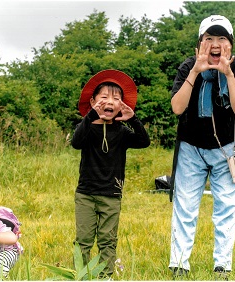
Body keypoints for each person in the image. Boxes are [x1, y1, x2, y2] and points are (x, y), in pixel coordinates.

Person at [168, 15, 235, 279]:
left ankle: (222, 267)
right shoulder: (187, 67)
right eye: (209, 39)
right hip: (191, 148)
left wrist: (226, 73)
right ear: (200, 43)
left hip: (228, 149)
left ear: (230, 44)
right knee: (184, 206)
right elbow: (177, 107)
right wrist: (196, 70)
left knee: (226, 207)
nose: (215, 44)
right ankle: (179, 264)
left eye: (221, 38)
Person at [71, 69, 150, 278]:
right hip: (86, 194)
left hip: (111, 195)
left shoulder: (122, 132)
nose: (110, 101)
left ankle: (105, 275)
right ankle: (82, 274)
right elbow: (75, 143)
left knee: (108, 238)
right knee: (84, 238)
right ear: (93, 101)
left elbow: (144, 141)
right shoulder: (86, 128)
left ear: (121, 106)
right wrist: (90, 116)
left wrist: (133, 119)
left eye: (116, 98)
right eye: (104, 97)